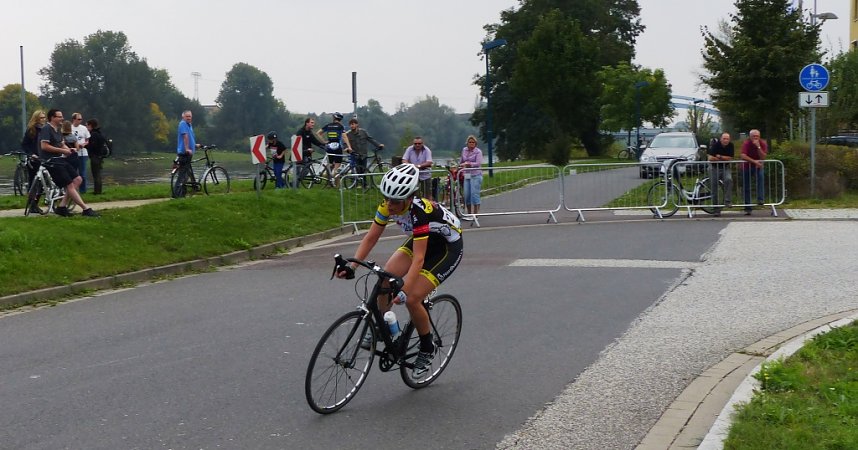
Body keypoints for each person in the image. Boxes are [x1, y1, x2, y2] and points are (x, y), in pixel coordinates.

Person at [335, 164, 463, 378]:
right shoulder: (387, 205)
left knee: (412, 298)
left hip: (447, 248)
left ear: (409, 198)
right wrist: (353, 265)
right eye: (386, 198)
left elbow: (420, 258)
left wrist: (405, 289)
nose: (389, 204)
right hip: (423, 241)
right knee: (385, 278)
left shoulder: (419, 213)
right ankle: (384, 330)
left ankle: (427, 347)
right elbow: (371, 237)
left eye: (395, 201)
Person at [38, 109, 98, 217]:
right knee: (69, 184)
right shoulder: (46, 129)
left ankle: (62, 207)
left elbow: (61, 144)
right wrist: (63, 151)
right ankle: (86, 209)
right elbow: (44, 146)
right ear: (52, 118)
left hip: (60, 159)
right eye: (59, 116)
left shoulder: (58, 130)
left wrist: (70, 149)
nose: (62, 118)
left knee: (78, 179)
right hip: (51, 161)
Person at [21, 110, 47, 212]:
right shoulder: (31, 130)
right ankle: (32, 205)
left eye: (44, 117)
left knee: (42, 183)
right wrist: (31, 154)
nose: (43, 119)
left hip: (43, 158)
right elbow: (24, 144)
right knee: (34, 182)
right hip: (34, 159)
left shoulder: (45, 129)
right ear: (36, 118)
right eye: (41, 118)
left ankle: (34, 204)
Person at [316, 112, 353, 182]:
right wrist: (349, 146)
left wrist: (324, 141)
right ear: (340, 119)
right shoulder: (340, 126)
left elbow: (318, 133)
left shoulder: (328, 126)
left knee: (329, 165)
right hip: (338, 147)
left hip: (329, 146)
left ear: (334, 118)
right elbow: (344, 136)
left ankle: (328, 180)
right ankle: (334, 178)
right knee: (337, 165)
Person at [740, 129, 767, 215]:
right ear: (750, 137)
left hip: (758, 167)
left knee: (760, 179)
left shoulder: (762, 143)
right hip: (747, 166)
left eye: (757, 136)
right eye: (753, 136)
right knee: (747, 187)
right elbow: (743, 155)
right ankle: (748, 207)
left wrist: (758, 147)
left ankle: (760, 199)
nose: (755, 138)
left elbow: (763, 157)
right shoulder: (746, 143)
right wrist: (755, 162)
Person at [707, 132, 734, 216]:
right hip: (714, 168)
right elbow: (710, 158)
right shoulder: (716, 145)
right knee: (714, 188)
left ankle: (727, 201)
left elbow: (730, 158)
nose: (726, 140)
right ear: (721, 139)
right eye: (724, 138)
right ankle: (716, 209)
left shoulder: (731, 145)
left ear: (729, 140)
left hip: (725, 168)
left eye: (727, 139)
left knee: (729, 179)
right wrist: (722, 158)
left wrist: (719, 157)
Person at [295, 117, 328, 184]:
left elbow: (315, 141)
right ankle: (295, 184)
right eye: (312, 123)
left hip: (307, 153)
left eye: (313, 123)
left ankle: (296, 182)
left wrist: (324, 146)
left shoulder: (309, 132)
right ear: (307, 123)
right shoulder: (300, 132)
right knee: (299, 170)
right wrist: (307, 149)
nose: (313, 124)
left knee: (306, 169)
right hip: (299, 153)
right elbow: (298, 143)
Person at [174, 110, 198, 198]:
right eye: (187, 116)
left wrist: (195, 145)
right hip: (185, 153)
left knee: (187, 174)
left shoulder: (189, 125)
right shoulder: (183, 124)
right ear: (183, 117)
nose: (189, 118)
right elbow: (185, 137)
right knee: (182, 175)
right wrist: (187, 148)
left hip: (189, 153)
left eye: (190, 116)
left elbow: (190, 138)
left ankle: (183, 193)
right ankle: (177, 195)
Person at [459, 135, 483, 215]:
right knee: (467, 194)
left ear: (475, 143)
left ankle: (475, 213)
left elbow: (478, 163)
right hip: (467, 174)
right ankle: (469, 213)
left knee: (474, 194)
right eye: (470, 142)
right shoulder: (464, 150)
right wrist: (460, 165)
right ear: (467, 143)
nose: (471, 143)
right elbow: (461, 161)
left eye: (473, 142)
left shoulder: (478, 152)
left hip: (476, 175)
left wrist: (468, 164)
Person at [85, 118, 108, 195]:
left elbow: (93, 146)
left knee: (96, 174)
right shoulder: (99, 133)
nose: (86, 127)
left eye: (87, 125)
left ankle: (97, 191)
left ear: (90, 125)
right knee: (98, 174)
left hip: (95, 156)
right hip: (100, 156)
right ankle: (98, 190)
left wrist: (86, 146)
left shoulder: (93, 134)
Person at [71, 113, 91, 193]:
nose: (80, 121)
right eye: (78, 119)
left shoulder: (83, 128)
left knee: (82, 173)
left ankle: (83, 191)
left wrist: (84, 144)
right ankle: (72, 190)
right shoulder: (70, 128)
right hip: (73, 153)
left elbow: (87, 140)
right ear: (74, 119)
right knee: (73, 173)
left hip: (82, 153)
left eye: (81, 119)